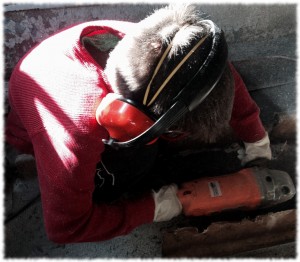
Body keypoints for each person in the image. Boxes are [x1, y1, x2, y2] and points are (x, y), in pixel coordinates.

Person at [5, 5, 271, 244]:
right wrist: (155, 207)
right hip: (41, 132)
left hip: (81, 90)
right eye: (173, 131)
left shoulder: (169, 46)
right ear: (127, 120)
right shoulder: (74, 135)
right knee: (137, 163)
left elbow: (216, 73)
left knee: (152, 149)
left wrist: (256, 137)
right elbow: (67, 229)